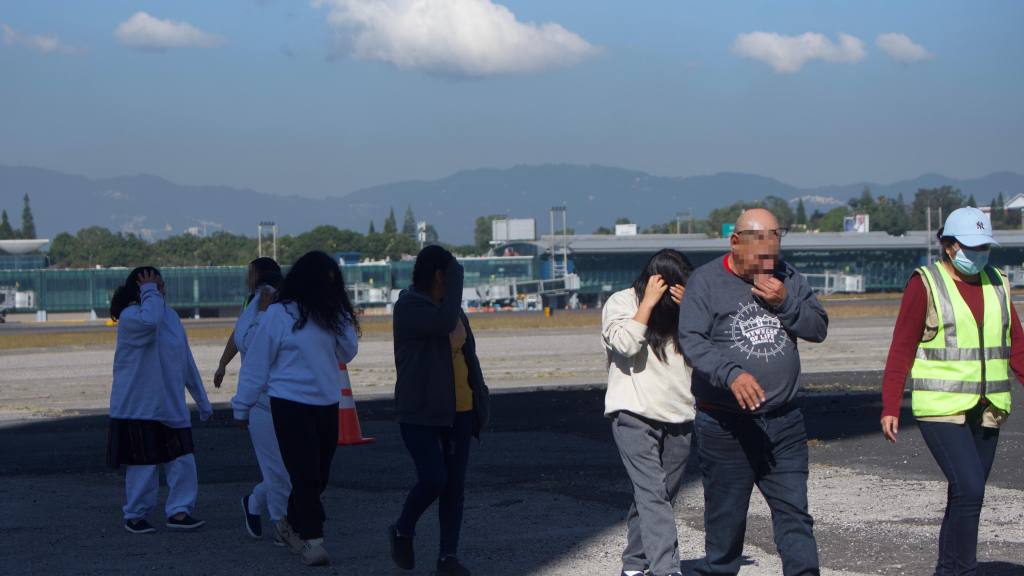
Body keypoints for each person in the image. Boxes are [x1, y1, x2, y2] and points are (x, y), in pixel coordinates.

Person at [678, 209, 828, 576]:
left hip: (784, 421)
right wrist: (731, 375)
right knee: (726, 519)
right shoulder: (706, 282)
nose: (767, 265)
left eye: (772, 257)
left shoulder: (787, 277)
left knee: (794, 513)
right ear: (735, 242)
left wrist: (785, 303)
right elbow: (692, 341)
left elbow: (818, 328)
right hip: (726, 424)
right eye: (759, 257)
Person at [881, 206, 1024, 576]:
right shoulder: (925, 283)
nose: (978, 254)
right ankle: (965, 570)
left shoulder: (998, 282)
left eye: (984, 247)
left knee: (965, 495)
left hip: (988, 406)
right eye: (970, 246)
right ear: (949, 246)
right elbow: (902, 346)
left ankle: (949, 570)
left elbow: (1017, 346)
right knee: (971, 489)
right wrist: (890, 404)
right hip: (940, 407)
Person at [232, 251, 359, 567]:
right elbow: (257, 364)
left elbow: (349, 351)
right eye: (327, 281)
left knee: (319, 475)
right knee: (305, 473)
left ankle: (288, 522)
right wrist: (242, 407)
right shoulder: (278, 315)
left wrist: (339, 313)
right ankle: (314, 542)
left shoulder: (331, 315)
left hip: (327, 403)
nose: (331, 288)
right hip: (288, 404)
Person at [388, 245, 490, 576]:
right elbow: (444, 322)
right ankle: (403, 528)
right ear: (439, 276)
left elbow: (468, 356)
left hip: (459, 411)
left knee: (454, 488)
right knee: (433, 479)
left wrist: (479, 401)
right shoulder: (409, 308)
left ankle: (448, 557)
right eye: (452, 276)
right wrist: (458, 279)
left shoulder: (452, 311)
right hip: (419, 412)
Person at [603, 249, 694, 576]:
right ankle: (667, 569)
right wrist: (648, 304)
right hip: (633, 413)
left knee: (659, 496)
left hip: (680, 415)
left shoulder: (685, 310)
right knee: (653, 494)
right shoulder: (622, 302)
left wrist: (692, 311)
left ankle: (634, 565)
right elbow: (625, 345)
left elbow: (707, 352)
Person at [106, 266, 212, 534]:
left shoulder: (171, 317)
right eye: (155, 286)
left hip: (170, 403)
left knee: (183, 460)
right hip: (138, 405)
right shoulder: (131, 317)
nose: (161, 291)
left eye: (161, 286)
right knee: (143, 464)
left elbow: (186, 361)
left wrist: (201, 399)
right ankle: (135, 515)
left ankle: (179, 512)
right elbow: (149, 322)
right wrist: (149, 292)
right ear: (140, 290)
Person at [213, 258, 289, 544]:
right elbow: (239, 334)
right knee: (279, 468)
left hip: (280, 393)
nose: (248, 277)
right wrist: (223, 364)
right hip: (260, 395)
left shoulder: (278, 302)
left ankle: (255, 503)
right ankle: (282, 524)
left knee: (285, 468)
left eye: (251, 272)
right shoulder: (254, 303)